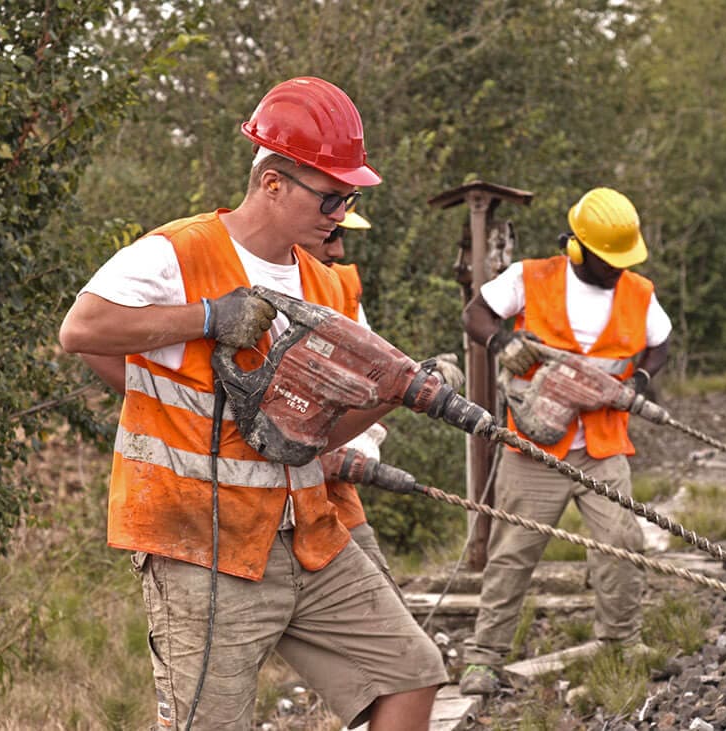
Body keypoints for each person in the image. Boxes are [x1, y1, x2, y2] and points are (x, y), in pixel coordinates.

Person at [58, 77, 447, 730]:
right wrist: (207, 317)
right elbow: (82, 329)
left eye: (349, 198)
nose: (340, 213)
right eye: (331, 197)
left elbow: (313, 433)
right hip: (199, 550)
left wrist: (393, 394)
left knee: (411, 675)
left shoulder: (322, 282)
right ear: (273, 182)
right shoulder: (177, 252)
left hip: (308, 538)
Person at [457, 187, 672, 695]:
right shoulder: (531, 277)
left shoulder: (639, 292)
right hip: (535, 448)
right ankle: (483, 659)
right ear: (578, 248)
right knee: (512, 551)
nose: (618, 269)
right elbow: (475, 313)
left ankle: (622, 640)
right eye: (609, 261)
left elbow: (660, 343)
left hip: (603, 444)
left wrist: (638, 382)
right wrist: (502, 340)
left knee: (621, 541)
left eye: (625, 260)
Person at [301, 209, 464, 583]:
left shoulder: (340, 286)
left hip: (330, 493)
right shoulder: (251, 290)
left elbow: (371, 373)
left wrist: (415, 375)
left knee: (377, 588)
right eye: (331, 237)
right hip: (256, 501)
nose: (340, 250)